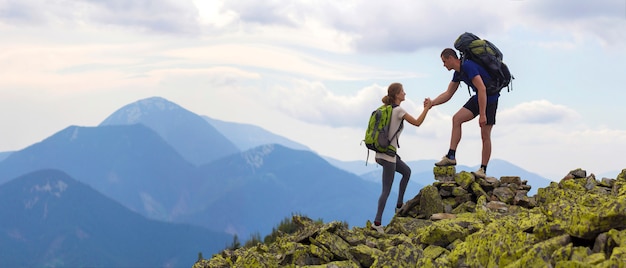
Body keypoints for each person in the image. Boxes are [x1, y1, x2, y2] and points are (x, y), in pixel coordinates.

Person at [425, 48, 499, 179]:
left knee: (485, 134)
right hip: (478, 98)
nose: (444, 65)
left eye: (444, 61)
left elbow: (482, 88)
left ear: (451, 58)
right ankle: (451, 156)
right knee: (457, 119)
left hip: (490, 99)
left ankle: (483, 169)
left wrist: (482, 114)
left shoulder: (468, 66)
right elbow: (448, 94)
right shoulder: (458, 73)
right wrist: (432, 103)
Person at [372, 82, 432, 234]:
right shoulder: (398, 110)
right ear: (397, 94)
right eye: (403, 91)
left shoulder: (385, 109)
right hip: (388, 157)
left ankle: (399, 205)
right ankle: (377, 223)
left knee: (406, 171)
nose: (405, 93)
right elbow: (417, 123)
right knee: (386, 190)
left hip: (382, 153)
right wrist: (427, 108)